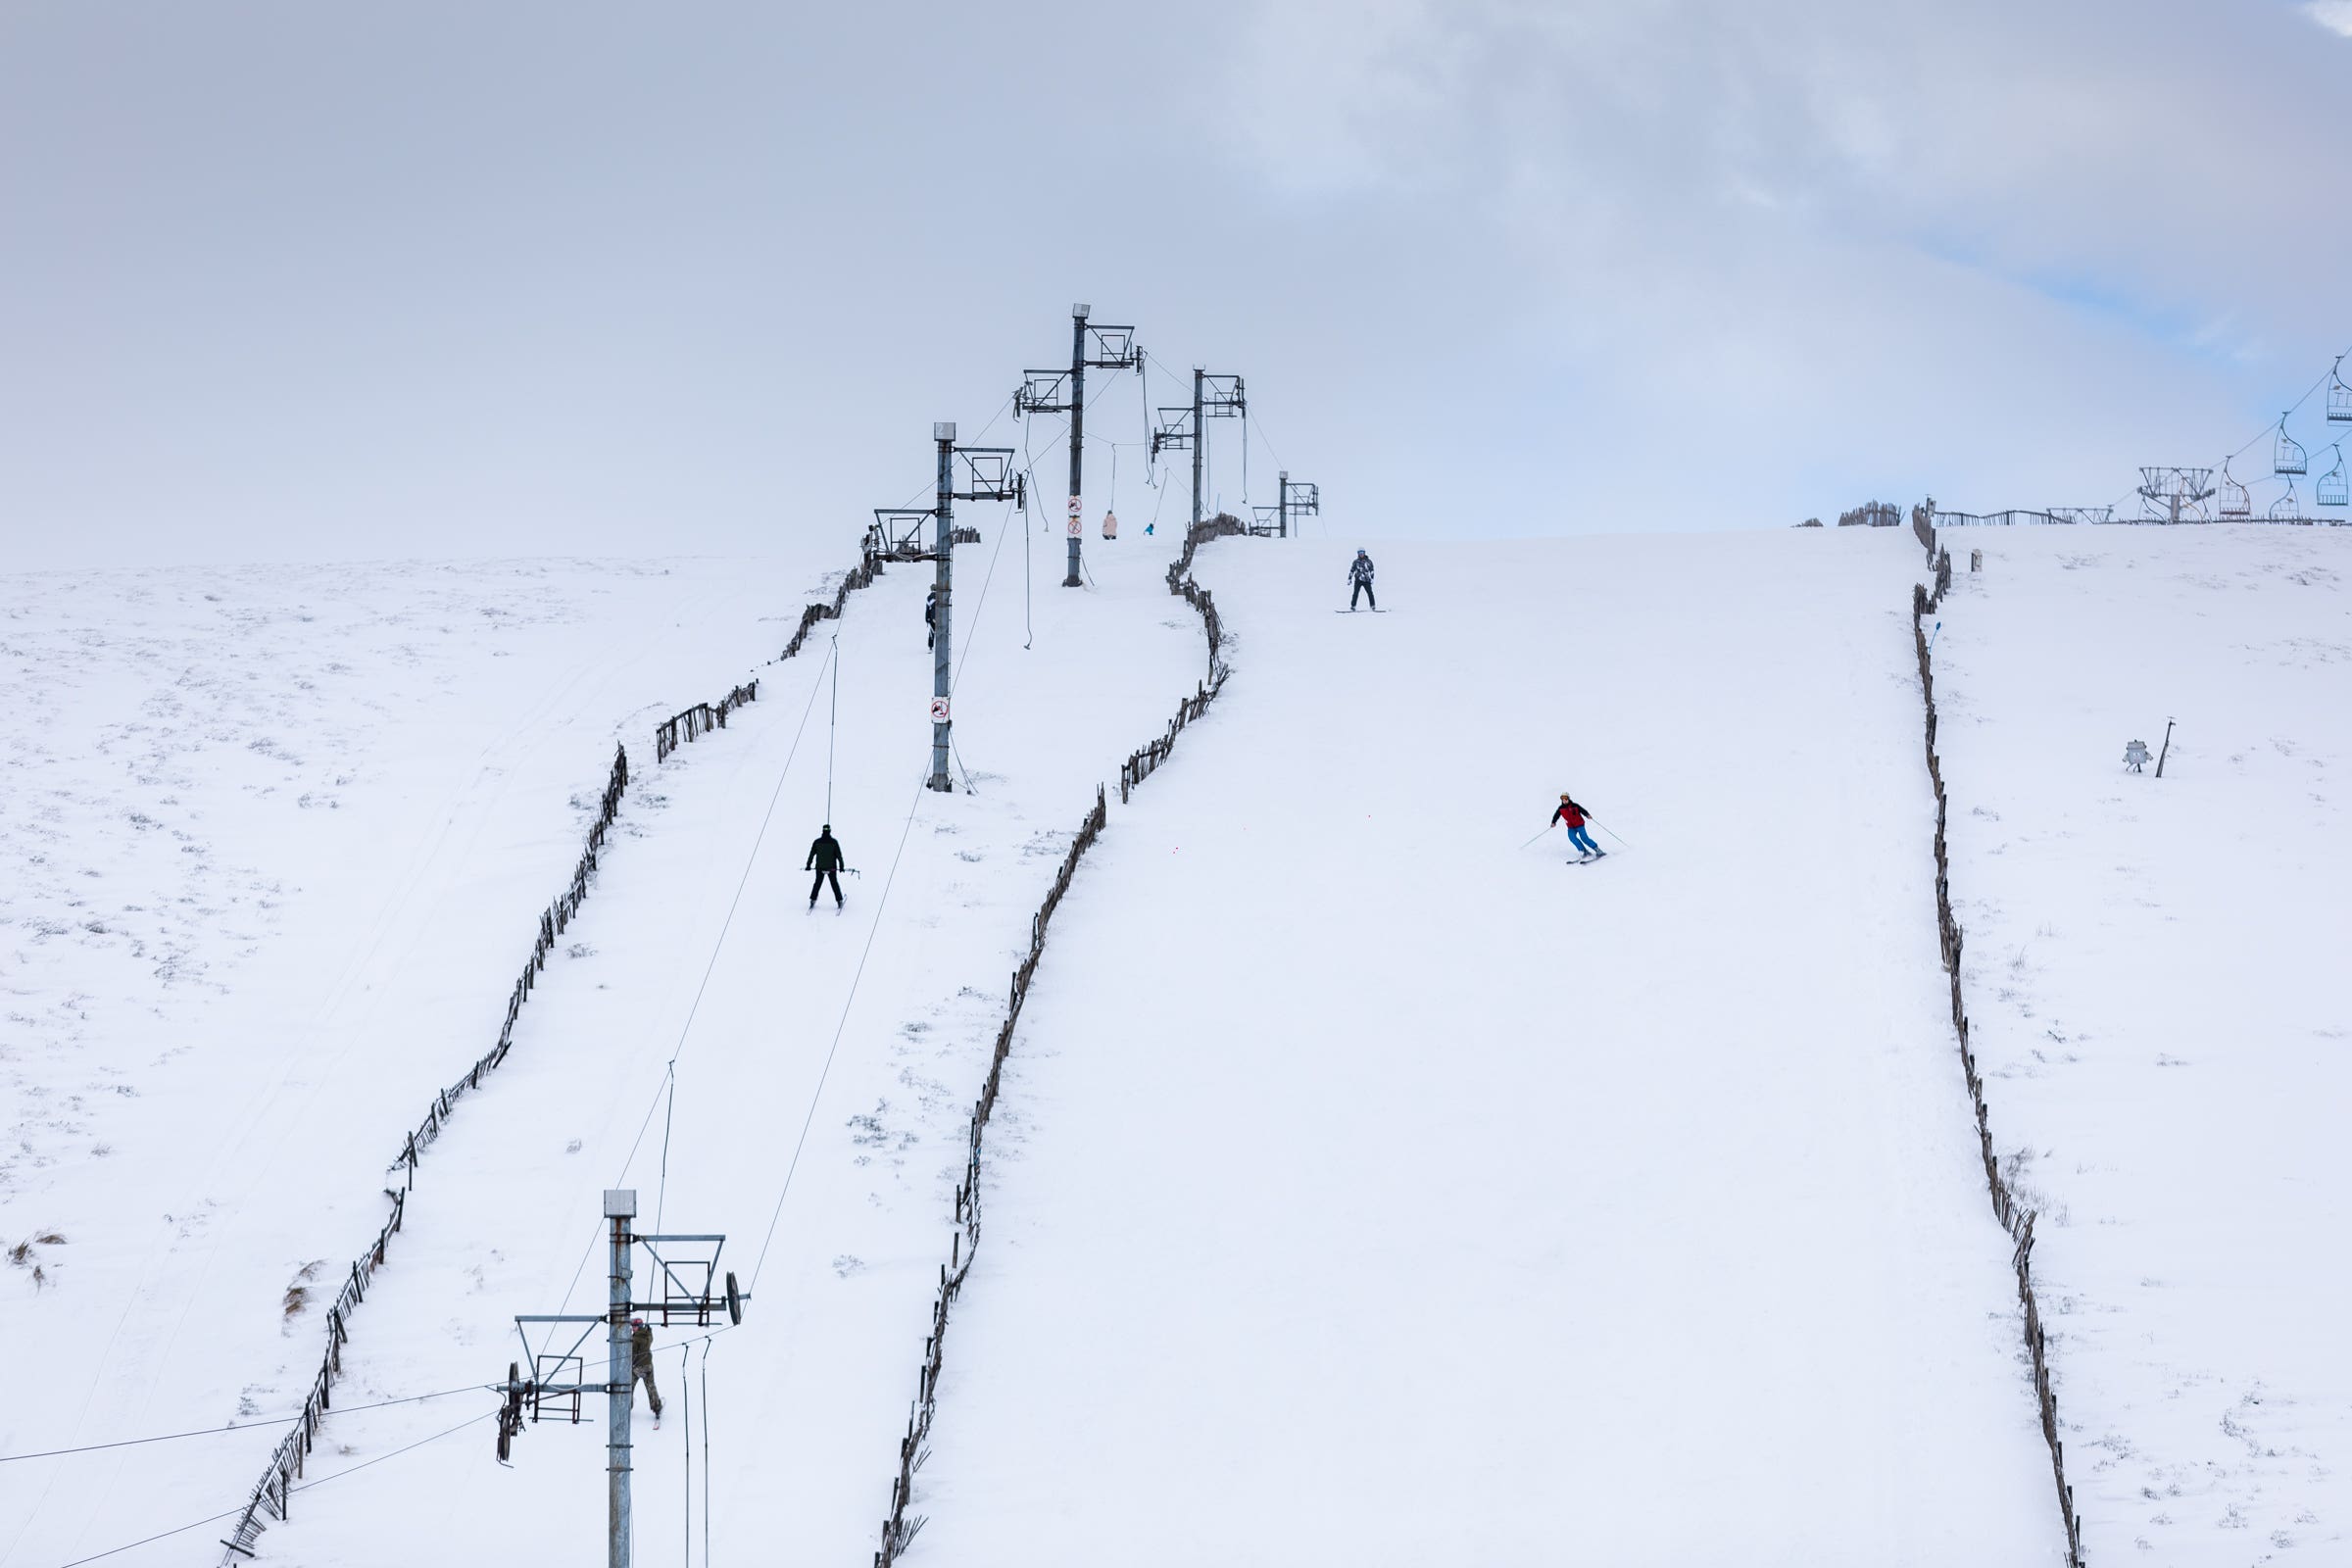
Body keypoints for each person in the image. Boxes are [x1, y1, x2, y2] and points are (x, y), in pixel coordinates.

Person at [629, 1316, 663, 1425]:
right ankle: (656, 1407)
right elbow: (650, 1338)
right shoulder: (648, 1335)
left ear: (638, 1327)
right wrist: (648, 1329)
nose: (632, 1328)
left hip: (637, 1367)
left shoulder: (635, 1339)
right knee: (650, 1386)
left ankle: (627, 1406)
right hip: (648, 1365)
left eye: (634, 1326)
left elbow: (633, 1353)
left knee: (628, 1386)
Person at [1550, 793, 1604, 860]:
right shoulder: (1561, 808)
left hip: (1580, 825)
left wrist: (1587, 815)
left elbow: (1583, 810)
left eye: (1566, 799)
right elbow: (1556, 815)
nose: (1564, 800)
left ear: (1568, 798)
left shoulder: (1575, 805)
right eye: (1563, 799)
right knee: (1572, 838)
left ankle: (1597, 850)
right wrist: (1553, 822)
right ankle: (1584, 851)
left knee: (1584, 838)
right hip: (1571, 827)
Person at [807, 824, 846, 909]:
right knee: (834, 883)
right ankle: (839, 900)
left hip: (820, 868)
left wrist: (808, 865)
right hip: (831, 868)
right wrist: (841, 866)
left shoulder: (817, 842)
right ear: (830, 831)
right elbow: (839, 856)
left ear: (823, 831)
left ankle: (813, 899)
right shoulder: (834, 842)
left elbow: (811, 854)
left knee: (817, 883)